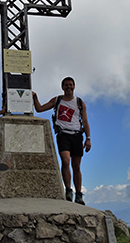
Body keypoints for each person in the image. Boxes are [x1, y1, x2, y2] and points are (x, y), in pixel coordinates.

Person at [32, 77, 91, 205]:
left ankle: (79, 194)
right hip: (63, 134)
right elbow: (40, 109)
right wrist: (35, 97)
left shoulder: (80, 102)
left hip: (76, 135)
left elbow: (85, 121)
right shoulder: (57, 100)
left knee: (76, 166)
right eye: (66, 85)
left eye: (70, 85)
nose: (68, 87)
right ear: (62, 87)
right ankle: (68, 190)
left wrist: (88, 138)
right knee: (65, 161)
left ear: (74, 86)